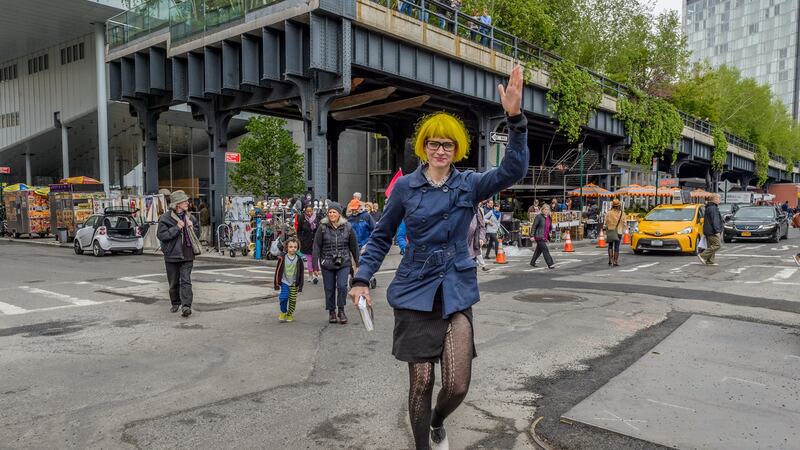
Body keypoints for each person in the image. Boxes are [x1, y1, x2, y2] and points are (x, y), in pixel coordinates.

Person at [348, 66, 527, 450]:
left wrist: (515, 119)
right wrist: (361, 278)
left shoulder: (471, 184)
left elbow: (514, 169)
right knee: (422, 382)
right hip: (415, 291)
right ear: (424, 147)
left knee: (457, 384)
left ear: (457, 148)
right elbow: (380, 238)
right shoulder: (405, 189)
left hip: (456, 290)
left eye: (447, 144)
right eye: (433, 144)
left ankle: (437, 420)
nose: (440, 150)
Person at [156, 190, 201, 317]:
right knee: (173, 283)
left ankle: (186, 306)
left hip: (188, 253)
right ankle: (175, 302)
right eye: (184, 201)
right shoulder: (165, 218)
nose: (187, 203)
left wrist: (193, 228)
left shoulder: (191, 217)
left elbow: (197, 235)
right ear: (177, 204)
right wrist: (177, 228)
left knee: (186, 280)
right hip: (172, 255)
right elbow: (161, 235)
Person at [313, 202, 359, 324]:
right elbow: (316, 247)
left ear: (339, 214)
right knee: (329, 288)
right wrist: (315, 265)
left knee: (342, 286)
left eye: (334, 212)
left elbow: (354, 247)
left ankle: (341, 310)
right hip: (327, 262)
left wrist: (358, 263)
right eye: (330, 212)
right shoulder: (322, 227)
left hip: (343, 261)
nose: (332, 214)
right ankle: (332, 312)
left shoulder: (348, 227)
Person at [274, 237, 304, 323]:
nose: (293, 249)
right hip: (284, 282)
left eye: (295, 247)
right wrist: (276, 284)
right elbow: (277, 271)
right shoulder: (282, 258)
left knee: (292, 301)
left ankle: (289, 314)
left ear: (297, 248)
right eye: (290, 247)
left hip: (294, 283)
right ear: (286, 247)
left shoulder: (299, 259)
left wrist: (300, 285)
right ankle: (283, 312)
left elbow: (301, 274)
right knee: (283, 297)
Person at [296, 205, 321, 285]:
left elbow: (321, 228)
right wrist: (301, 239)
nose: (309, 213)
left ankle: (316, 274)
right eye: (308, 211)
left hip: (316, 240)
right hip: (306, 241)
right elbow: (299, 230)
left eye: (311, 211)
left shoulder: (317, 217)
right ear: (305, 211)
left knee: (316, 258)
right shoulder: (302, 218)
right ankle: (310, 274)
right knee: (309, 259)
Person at [698, 194, 723, 266]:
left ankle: (710, 261)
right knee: (717, 245)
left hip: (708, 230)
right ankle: (703, 255)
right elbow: (715, 220)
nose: (719, 200)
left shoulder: (709, 207)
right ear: (714, 199)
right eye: (719, 198)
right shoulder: (713, 208)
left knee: (711, 246)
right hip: (712, 231)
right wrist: (717, 231)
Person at [603, 199, 626, 267]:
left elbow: (605, 222)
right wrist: (624, 230)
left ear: (612, 205)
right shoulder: (622, 213)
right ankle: (615, 261)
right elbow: (625, 223)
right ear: (619, 205)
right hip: (619, 232)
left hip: (610, 231)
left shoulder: (608, 213)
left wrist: (605, 230)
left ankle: (610, 260)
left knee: (610, 246)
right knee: (617, 247)